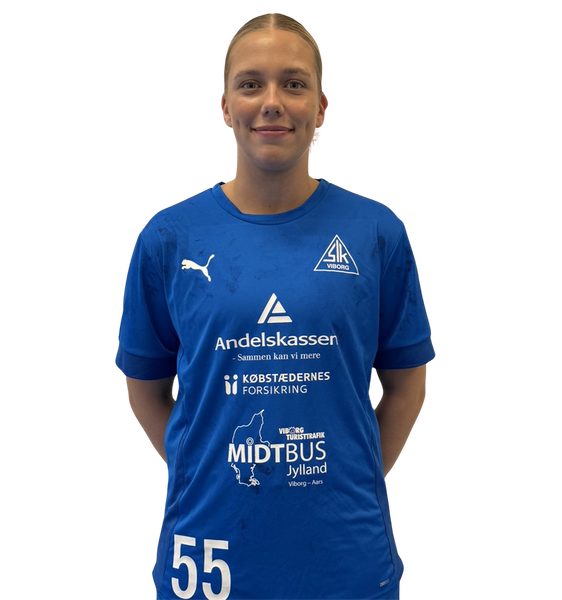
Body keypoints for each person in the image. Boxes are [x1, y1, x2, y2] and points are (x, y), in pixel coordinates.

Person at [113, 10, 437, 600]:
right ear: (223, 108)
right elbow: (145, 387)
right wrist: (208, 467)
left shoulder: (378, 232)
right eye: (250, 84)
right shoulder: (167, 238)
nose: (271, 102)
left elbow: (406, 382)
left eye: (293, 83)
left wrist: (351, 476)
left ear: (322, 108)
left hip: (347, 558)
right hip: (208, 554)